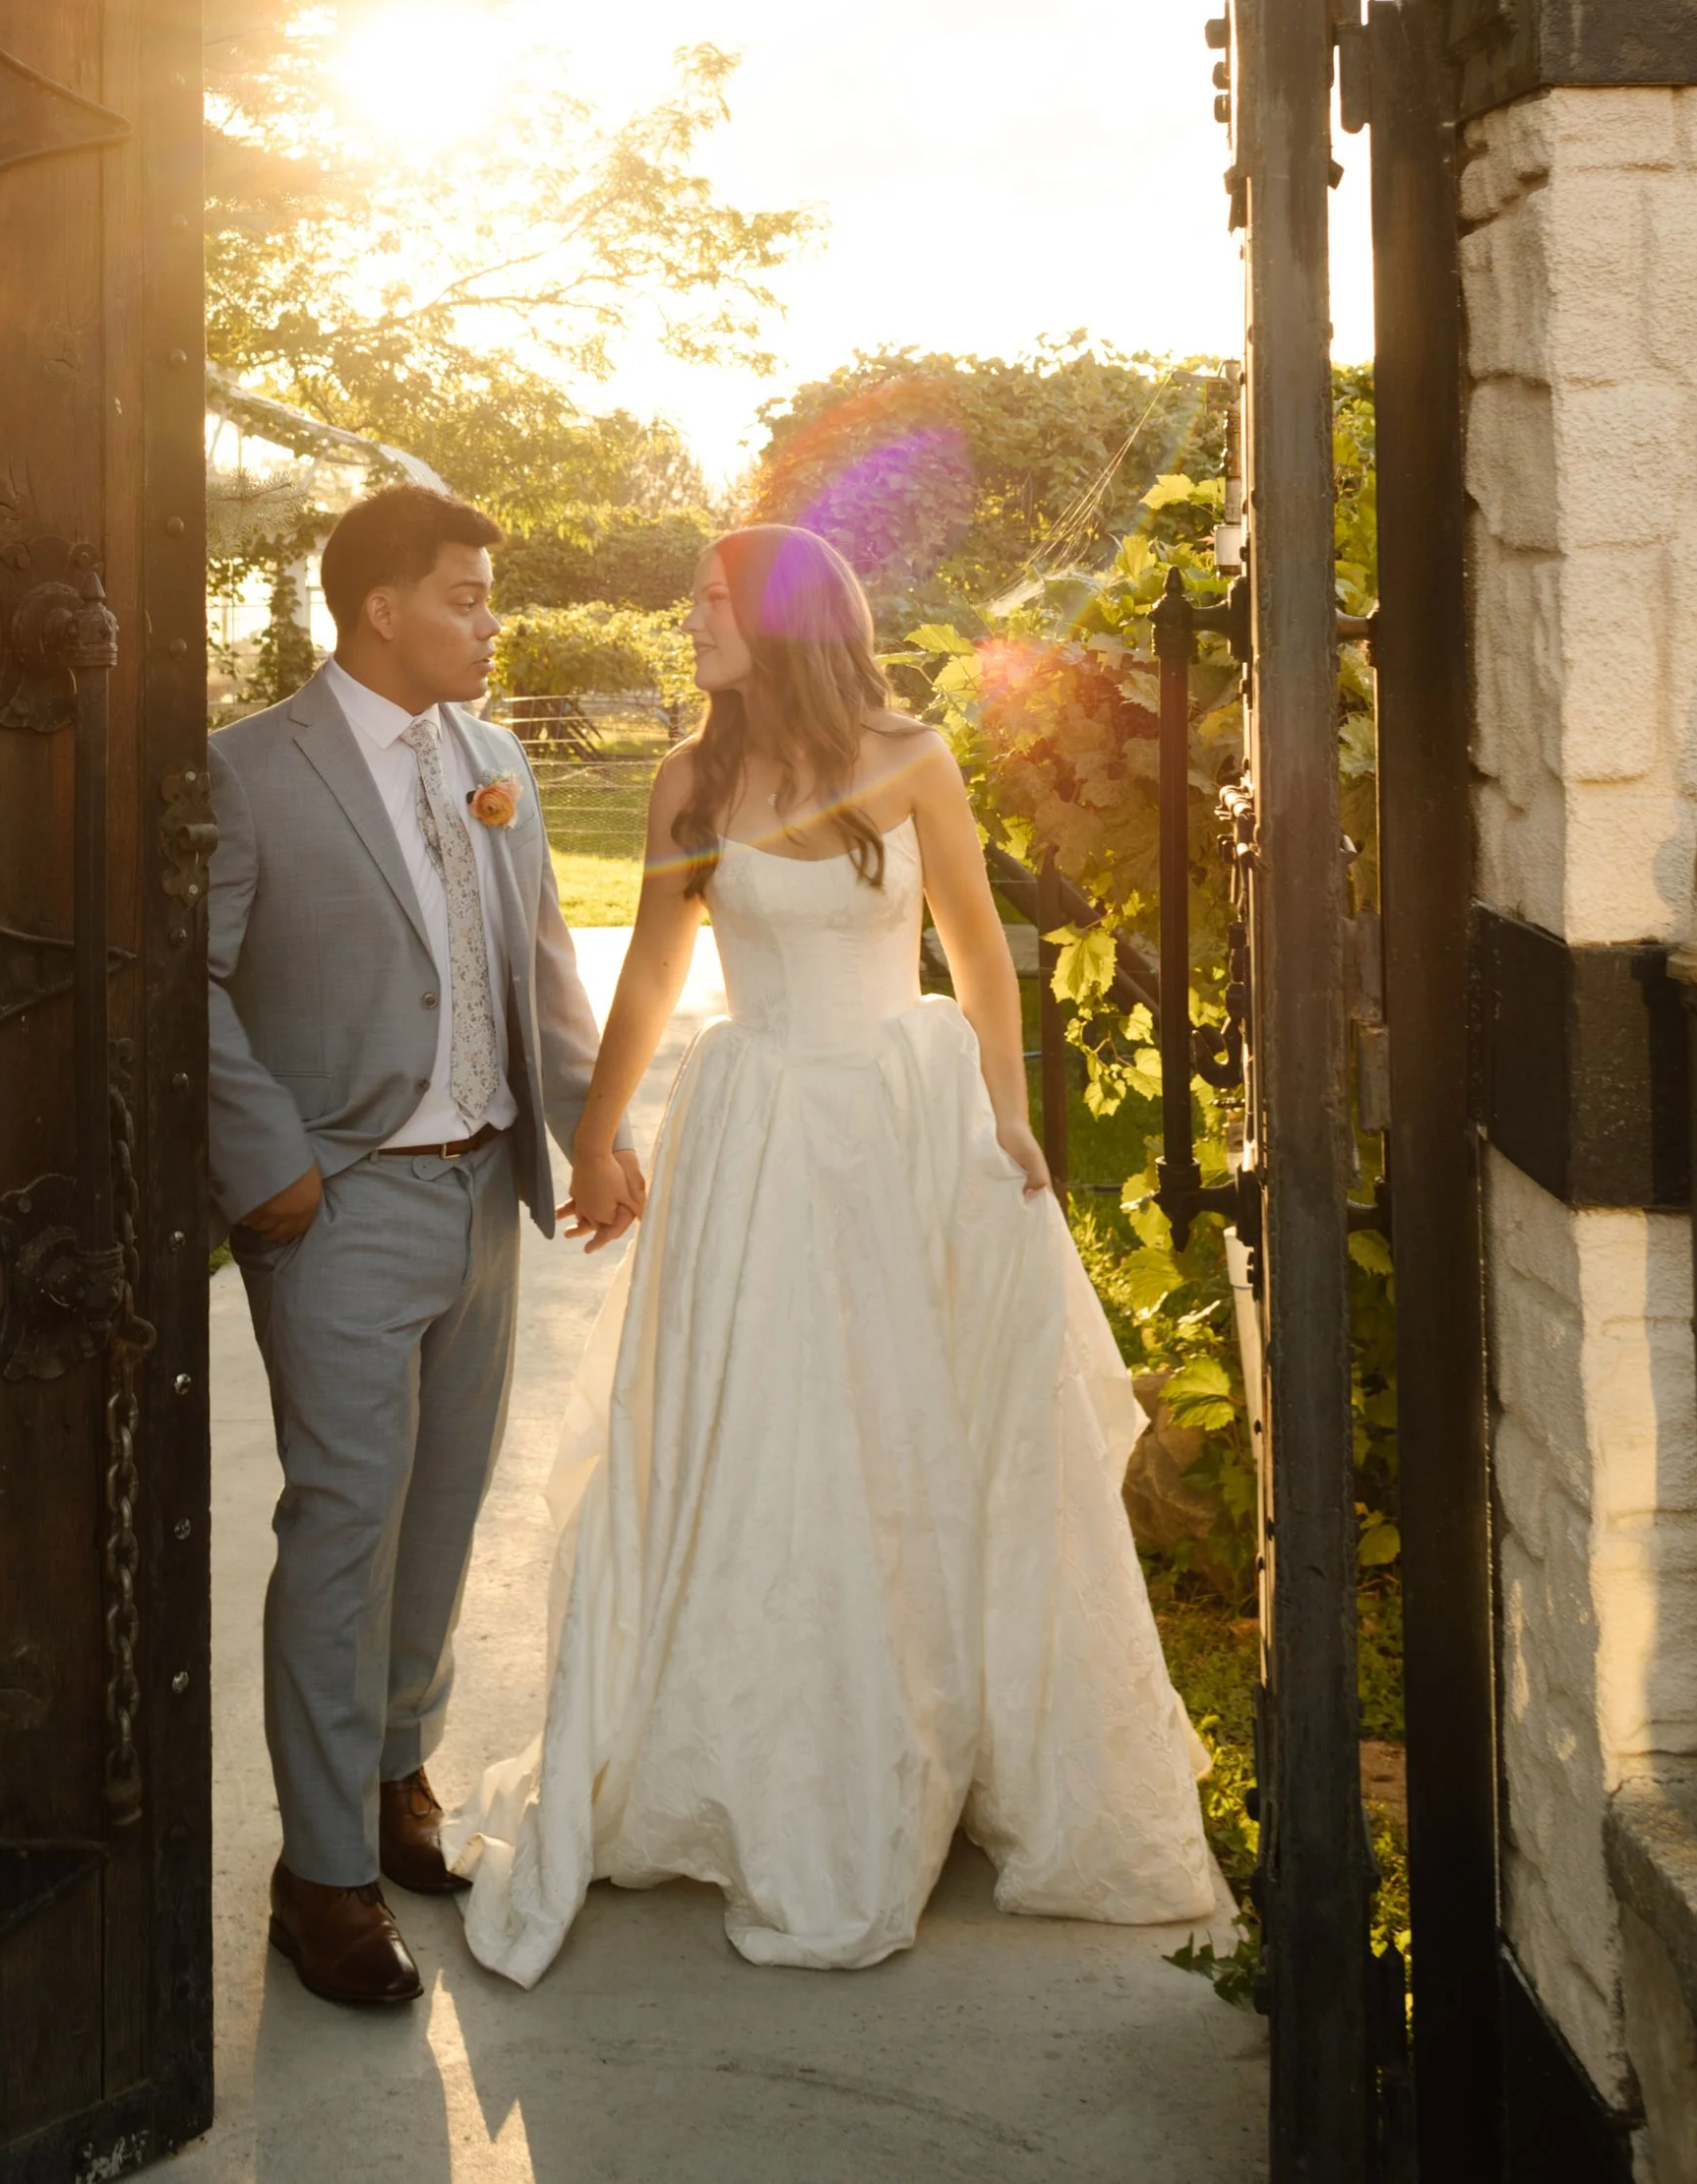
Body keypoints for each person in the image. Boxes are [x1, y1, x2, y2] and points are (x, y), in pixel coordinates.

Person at [449, 521, 1224, 1981]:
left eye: (710, 604)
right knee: (761, 1436)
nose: (690, 625)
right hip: (756, 1130)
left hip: (901, 1119)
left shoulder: (910, 752)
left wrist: (1005, 1115)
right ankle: (763, 1752)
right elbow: (659, 970)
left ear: (792, 619)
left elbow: (981, 949)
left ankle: (935, 1742)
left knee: (913, 1436)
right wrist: (598, 1137)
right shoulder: (696, 777)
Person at [206, 482, 643, 2009]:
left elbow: (544, 971)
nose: (489, 619)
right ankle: (317, 1876)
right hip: (338, 1205)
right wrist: (273, 1175)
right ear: (379, 605)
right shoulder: (247, 770)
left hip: (481, 1198)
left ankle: (397, 1778)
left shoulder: (496, 760)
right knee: (343, 1525)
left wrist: (588, 1132)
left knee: (445, 1510)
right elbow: (182, 979)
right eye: (465, 594)